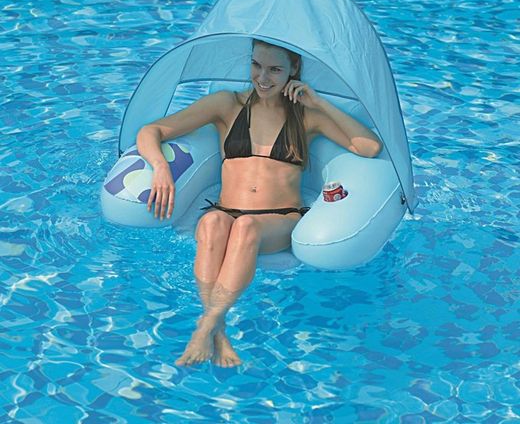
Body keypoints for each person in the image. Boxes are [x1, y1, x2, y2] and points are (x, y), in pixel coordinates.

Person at [136, 39, 382, 367]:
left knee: (246, 227)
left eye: (275, 69)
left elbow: (369, 148)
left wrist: (320, 103)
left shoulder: (306, 116)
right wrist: (161, 168)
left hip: (278, 218)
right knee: (211, 222)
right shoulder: (226, 105)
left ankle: (204, 328)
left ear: (294, 69)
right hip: (225, 210)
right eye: (256, 65)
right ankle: (217, 331)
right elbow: (151, 131)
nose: (262, 78)